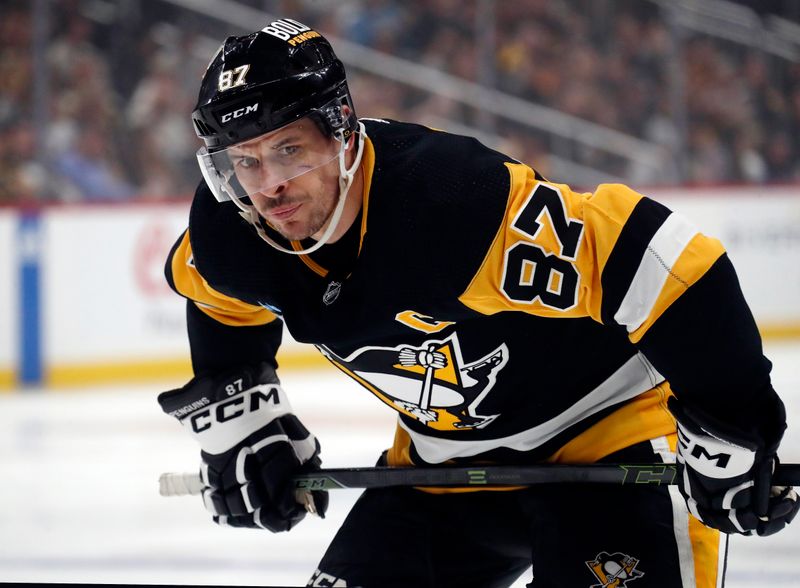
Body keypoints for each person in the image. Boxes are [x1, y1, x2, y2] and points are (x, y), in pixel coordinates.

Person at [158, 17, 798, 588]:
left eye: (288, 149)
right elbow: (219, 303)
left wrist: (733, 427)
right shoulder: (231, 231)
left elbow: (672, 263)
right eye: (245, 160)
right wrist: (248, 427)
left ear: (342, 131)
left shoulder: (450, 203)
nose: (269, 186)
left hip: (610, 437)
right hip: (444, 464)